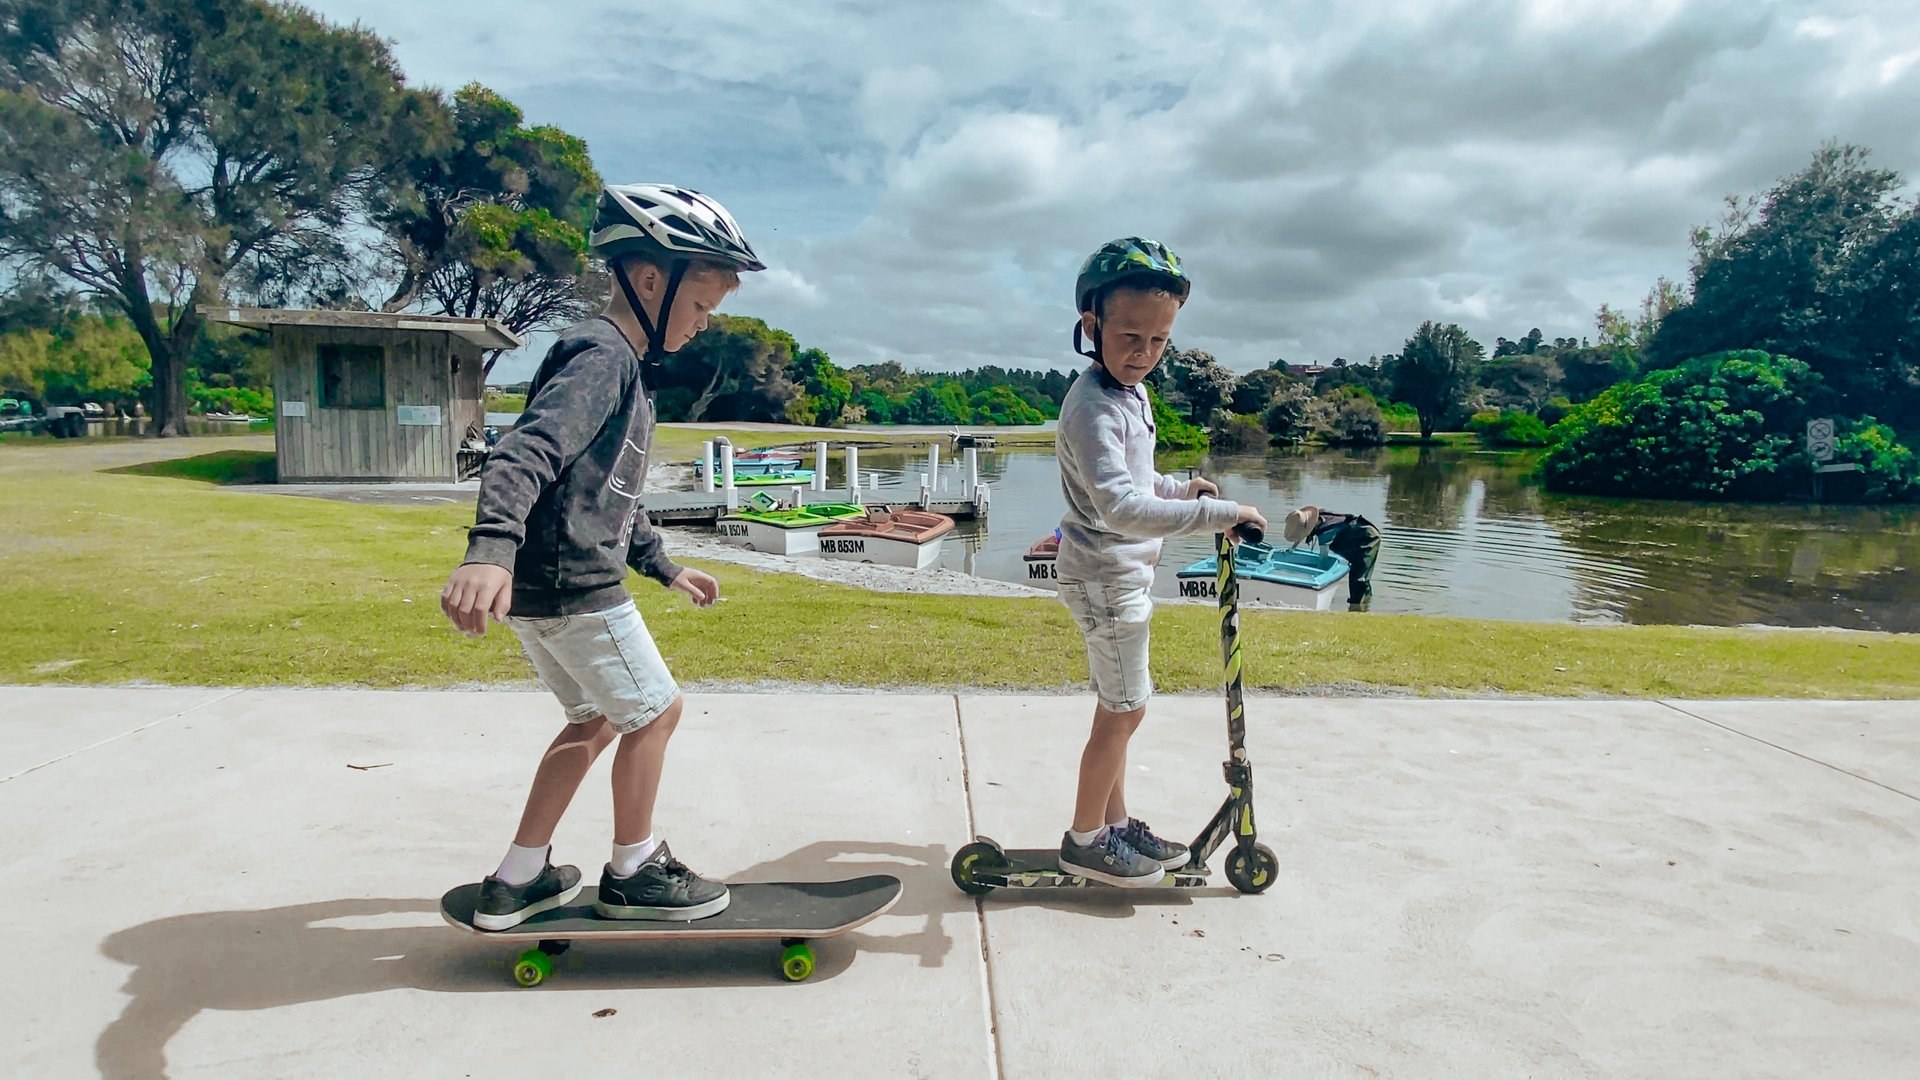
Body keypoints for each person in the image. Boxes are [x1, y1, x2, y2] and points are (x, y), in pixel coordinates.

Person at [439, 183, 765, 930]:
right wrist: (489, 547)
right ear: (650, 280)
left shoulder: (623, 370)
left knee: (591, 720)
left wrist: (666, 566)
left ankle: (519, 877)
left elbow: (607, 495)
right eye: (700, 306)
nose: (703, 324)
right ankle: (636, 867)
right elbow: (525, 453)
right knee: (656, 713)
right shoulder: (601, 356)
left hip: (545, 591)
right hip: (576, 588)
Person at [1051, 237, 1268, 887]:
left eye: (1158, 341)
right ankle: (1086, 839)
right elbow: (1118, 506)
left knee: (1121, 705)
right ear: (1092, 327)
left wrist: (1183, 489)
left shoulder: (1129, 397)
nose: (1143, 354)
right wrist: (1220, 514)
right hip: (1105, 573)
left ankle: (1113, 825)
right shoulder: (1091, 405)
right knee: (1125, 709)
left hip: (1121, 571)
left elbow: (1139, 484)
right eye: (1129, 336)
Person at [1282, 505, 1383, 606]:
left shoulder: (1326, 532)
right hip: (1354, 537)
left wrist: (1318, 580)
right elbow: (1302, 532)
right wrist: (1292, 549)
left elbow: (1323, 560)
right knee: (1358, 575)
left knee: (1359, 578)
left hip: (1367, 538)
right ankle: (1365, 604)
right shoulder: (1317, 515)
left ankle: (1358, 606)